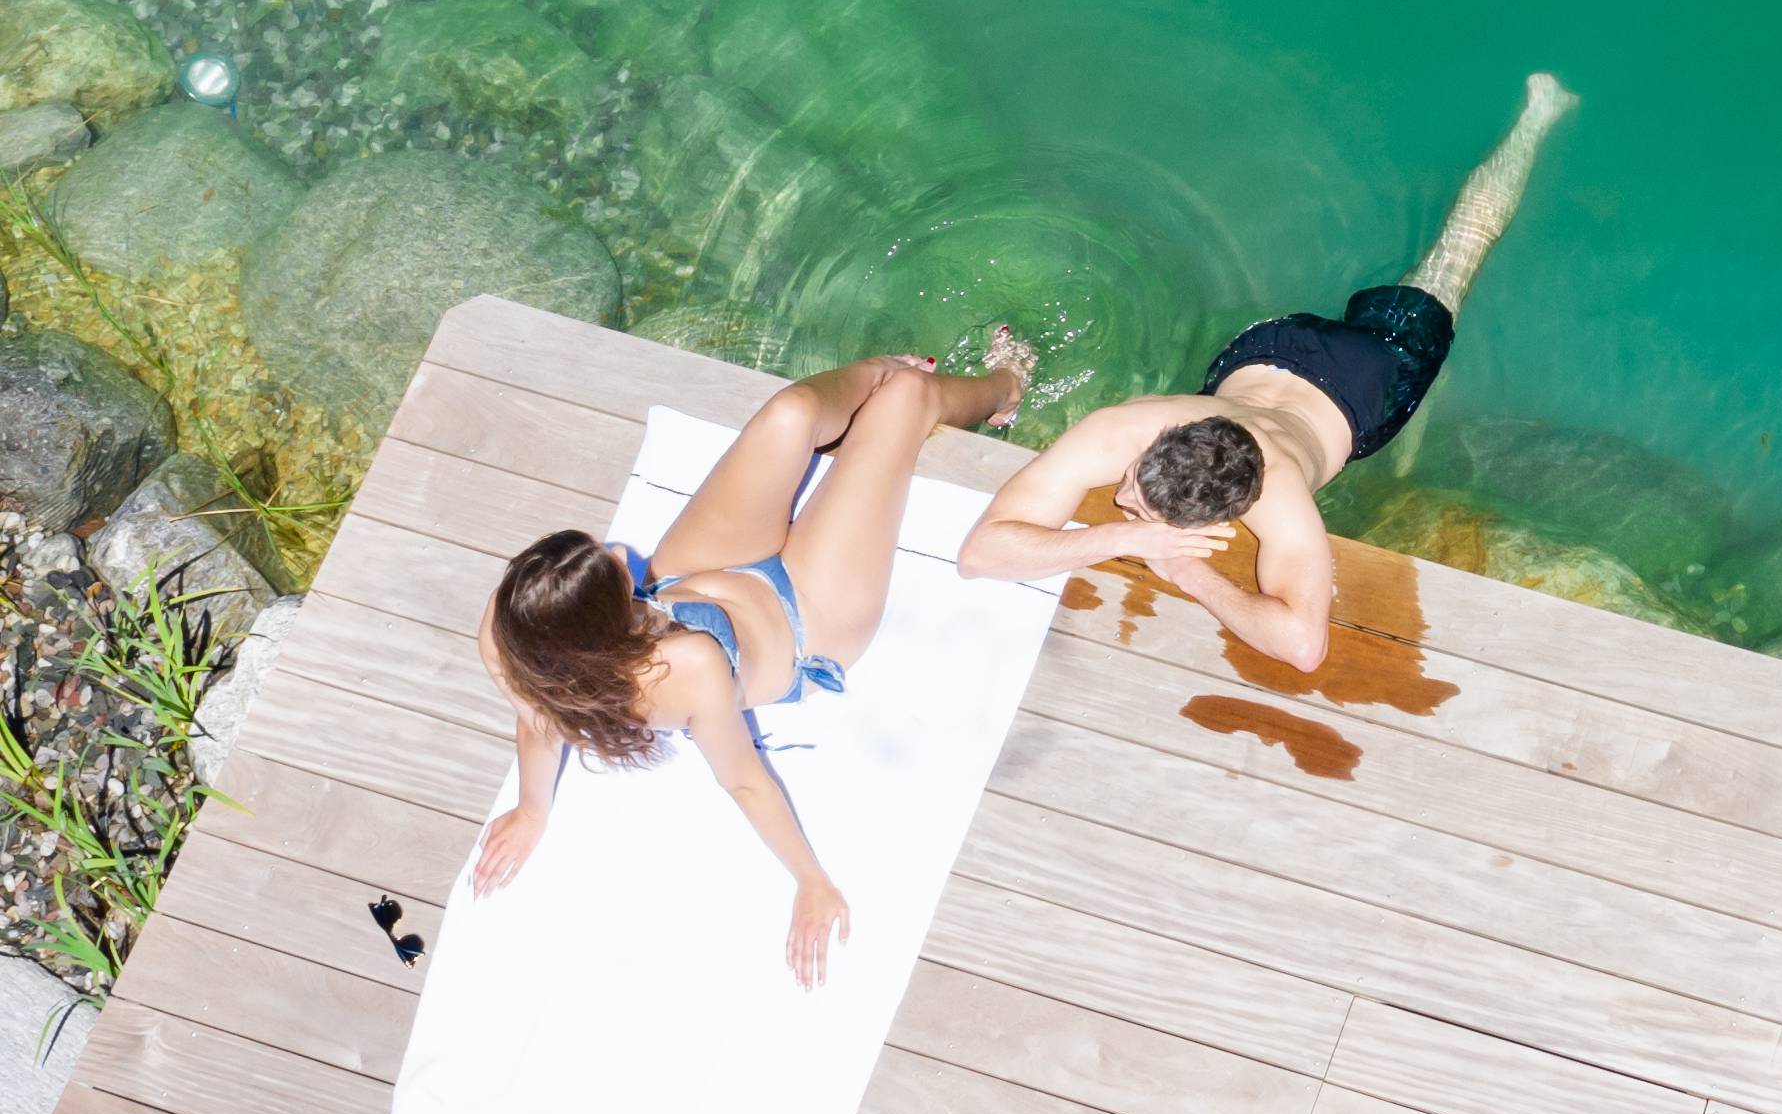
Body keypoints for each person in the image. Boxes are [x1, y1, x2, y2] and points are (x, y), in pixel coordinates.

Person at [957, 73, 1576, 672]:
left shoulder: (1280, 499)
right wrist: (1124, 538)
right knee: (1444, 263)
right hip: (1270, 353)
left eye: (1138, 503)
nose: (1119, 498)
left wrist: (1188, 572)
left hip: (1343, 366)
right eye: (1136, 484)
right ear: (1164, 438)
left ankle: (1541, 112)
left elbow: (1304, 647)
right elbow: (980, 555)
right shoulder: (1123, 430)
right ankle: (1538, 111)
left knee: (1459, 251)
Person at [474, 347, 1028, 985]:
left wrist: (531, 808)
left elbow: (536, 714)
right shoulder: (688, 665)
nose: (623, 549)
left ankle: (870, 372)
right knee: (906, 399)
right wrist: (811, 880)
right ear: (606, 629)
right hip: (808, 617)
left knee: (791, 414)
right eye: (615, 571)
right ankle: (1004, 387)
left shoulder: (509, 620)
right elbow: (743, 781)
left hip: (697, 575)